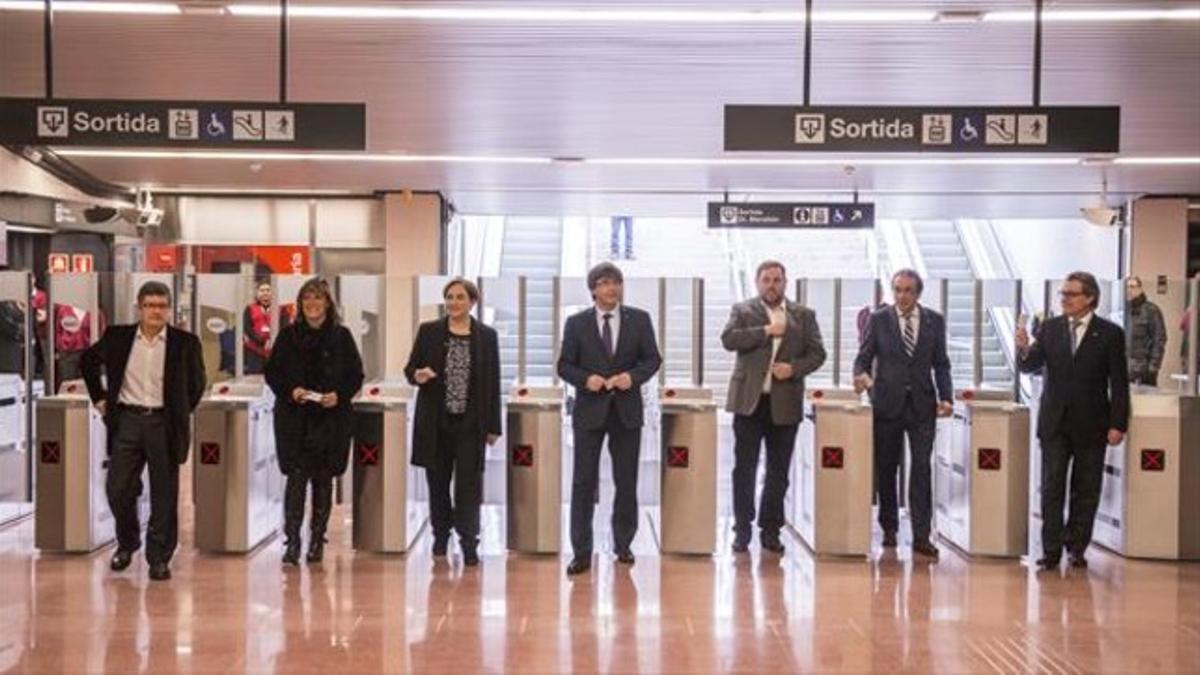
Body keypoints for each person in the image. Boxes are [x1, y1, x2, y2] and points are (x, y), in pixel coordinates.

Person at [80, 281, 206, 581]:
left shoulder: (185, 343)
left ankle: (159, 558)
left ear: (169, 309)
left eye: (161, 306)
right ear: (139, 307)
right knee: (117, 488)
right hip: (127, 421)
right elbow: (87, 361)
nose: (156, 311)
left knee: (164, 494)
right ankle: (128, 542)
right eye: (150, 305)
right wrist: (99, 398)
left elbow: (197, 384)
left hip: (164, 424)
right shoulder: (118, 337)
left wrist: (179, 411)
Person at [1018, 271, 1130, 571]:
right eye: (1062, 294)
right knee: (1052, 486)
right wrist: (1023, 347)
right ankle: (1051, 550)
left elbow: (1119, 383)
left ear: (1089, 298)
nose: (1064, 299)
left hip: (1092, 423)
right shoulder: (1050, 329)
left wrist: (1119, 423)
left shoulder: (1110, 333)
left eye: (1071, 294)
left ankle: (1077, 546)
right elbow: (1030, 366)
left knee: (1086, 488)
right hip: (1054, 422)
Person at [557, 262, 661, 576]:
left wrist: (633, 377)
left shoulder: (639, 319)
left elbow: (652, 359)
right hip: (589, 412)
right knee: (583, 482)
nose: (611, 288)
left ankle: (623, 544)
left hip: (626, 412)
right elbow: (564, 365)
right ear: (593, 290)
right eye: (604, 283)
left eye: (615, 282)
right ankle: (581, 552)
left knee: (626, 481)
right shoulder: (576, 323)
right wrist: (585, 379)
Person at [721, 260, 826, 555]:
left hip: (785, 402)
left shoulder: (804, 316)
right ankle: (742, 529)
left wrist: (792, 369)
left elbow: (818, 353)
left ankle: (771, 530)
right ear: (757, 283)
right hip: (749, 403)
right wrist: (766, 330)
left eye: (777, 280)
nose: (772, 285)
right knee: (744, 469)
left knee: (778, 471)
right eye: (766, 280)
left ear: (785, 282)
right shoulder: (743, 311)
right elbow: (729, 340)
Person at [853, 269, 953, 560]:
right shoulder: (879, 319)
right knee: (887, 468)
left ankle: (922, 535)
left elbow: (941, 363)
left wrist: (946, 397)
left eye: (908, 290)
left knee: (921, 467)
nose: (902, 295)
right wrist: (864, 381)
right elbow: (863, 358)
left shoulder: (934, 321)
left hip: (923, 405)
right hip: (887, 403)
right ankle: (889, 528)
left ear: (918, 292)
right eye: (898, 289)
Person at [265, 278, 364, 566]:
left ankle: (317, 540)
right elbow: (273, 373)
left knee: (323, 481)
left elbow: (355, 375)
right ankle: (293, 541)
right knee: (296, 481)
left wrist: (340, 395)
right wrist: (290, 390)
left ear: (328, 303)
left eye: (318, 298)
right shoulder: (287, 336)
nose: (312, 304)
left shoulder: (341, 337)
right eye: (307, 298)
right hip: (295, 420)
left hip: (330, 421)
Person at [404, 278, 502, 566]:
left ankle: (469, 540)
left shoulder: (486, 336)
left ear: (472, 302)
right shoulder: (429, 332)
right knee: (438, 483)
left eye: (460, 297)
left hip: (471, 423)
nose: (453, 303)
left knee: (468, 485)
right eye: (449, 297)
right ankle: (440, 535)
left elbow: (493, 383)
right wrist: (417, 375)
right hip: (436, 421)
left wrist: (493, 425)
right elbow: (410, 368)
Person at [1125, 276, 1167, 387]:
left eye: (1132, 286)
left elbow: (1159, 339)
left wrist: (1153, 367)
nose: (1129, 290)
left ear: (1140, 289)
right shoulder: (1122, 311)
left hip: (1143, 369)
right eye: (1127, 287)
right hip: (1124, 368)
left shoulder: (1151, 310)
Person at [243, 280, 274, 375]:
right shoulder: (249, 308)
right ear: (257, 293)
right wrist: (260, 341)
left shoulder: (280, 308)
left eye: (268, 290)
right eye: (262, 290)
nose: (265, 293)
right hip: (254, 350)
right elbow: (247, 327)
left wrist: (272, 340)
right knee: (255, 378)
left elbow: (284, 326)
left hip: (274, 350)